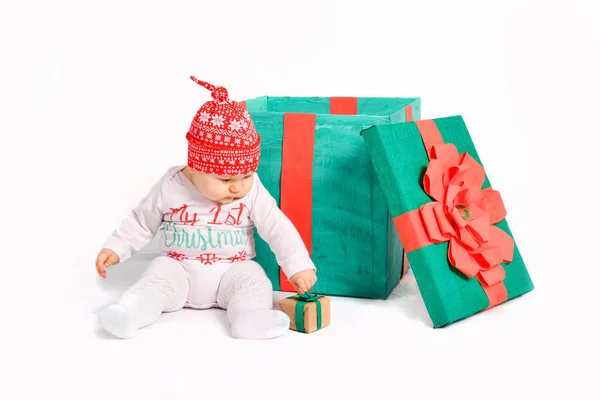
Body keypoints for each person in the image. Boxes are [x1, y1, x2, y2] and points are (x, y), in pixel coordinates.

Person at [95, 77, 317, 340]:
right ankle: (129, 314)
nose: (238, 188)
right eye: (225, 180)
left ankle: (249, 319)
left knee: (254, 281)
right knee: (155, 280)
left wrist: (298, 265)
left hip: (232, 269)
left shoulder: (252, 189)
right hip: (179, 269)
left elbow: (276, 226)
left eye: (245, 176)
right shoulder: (171, 185)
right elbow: (142, 221)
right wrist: (116, 246)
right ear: (194, 167)